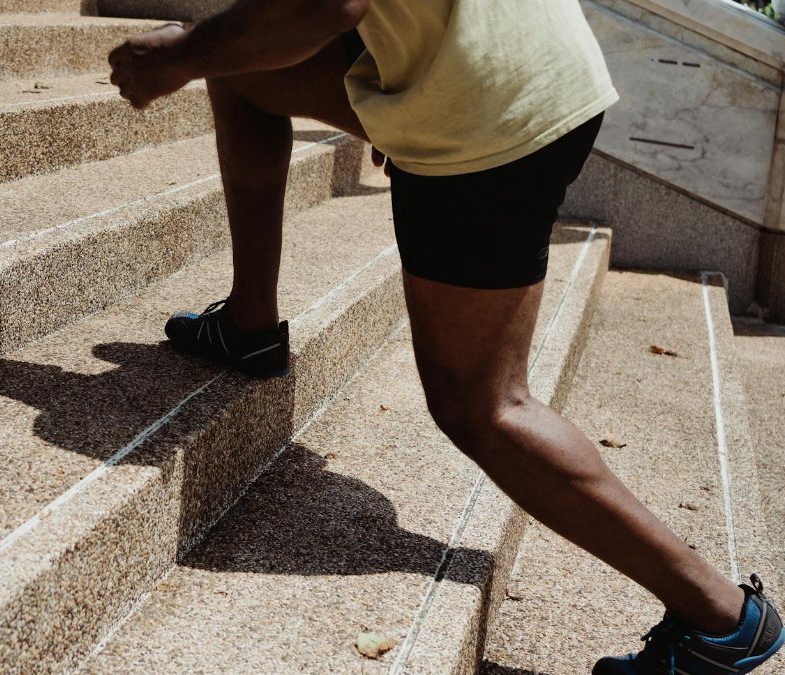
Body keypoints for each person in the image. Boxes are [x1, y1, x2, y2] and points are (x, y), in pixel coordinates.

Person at [107, 0, 783, 672]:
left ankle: (723, 618)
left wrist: (178, 55)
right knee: (241, 66)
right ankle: (249, 323)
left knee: (483, 404)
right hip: (518, 62)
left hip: (485, 107)